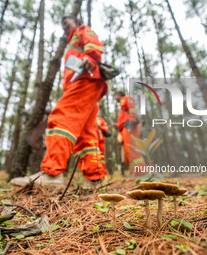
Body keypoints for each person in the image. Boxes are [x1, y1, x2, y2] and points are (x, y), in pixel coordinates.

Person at [11, 16, 107, 186]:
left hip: (84, 80)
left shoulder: (81, 30)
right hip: (88, 84)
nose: (64, 26)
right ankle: (94, 178)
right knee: (86, 132)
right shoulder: (72, 42)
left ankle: (52, 174)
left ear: (76, 22)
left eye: (67, 22)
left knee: (62, 118)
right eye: (62, 23)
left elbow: (93, 43)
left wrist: (91, 58)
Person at [114, 91, 146, 175]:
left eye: (116, 96)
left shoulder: (126, 98)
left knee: (132, 148)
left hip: (129, 125)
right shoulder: (121, 108)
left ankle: (141, 171)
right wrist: (118, 125)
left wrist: (131, 123)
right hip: (125, 127)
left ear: (119, 95)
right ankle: (134, 171)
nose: (115, 98)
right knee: (128, 150)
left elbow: (131, 110)